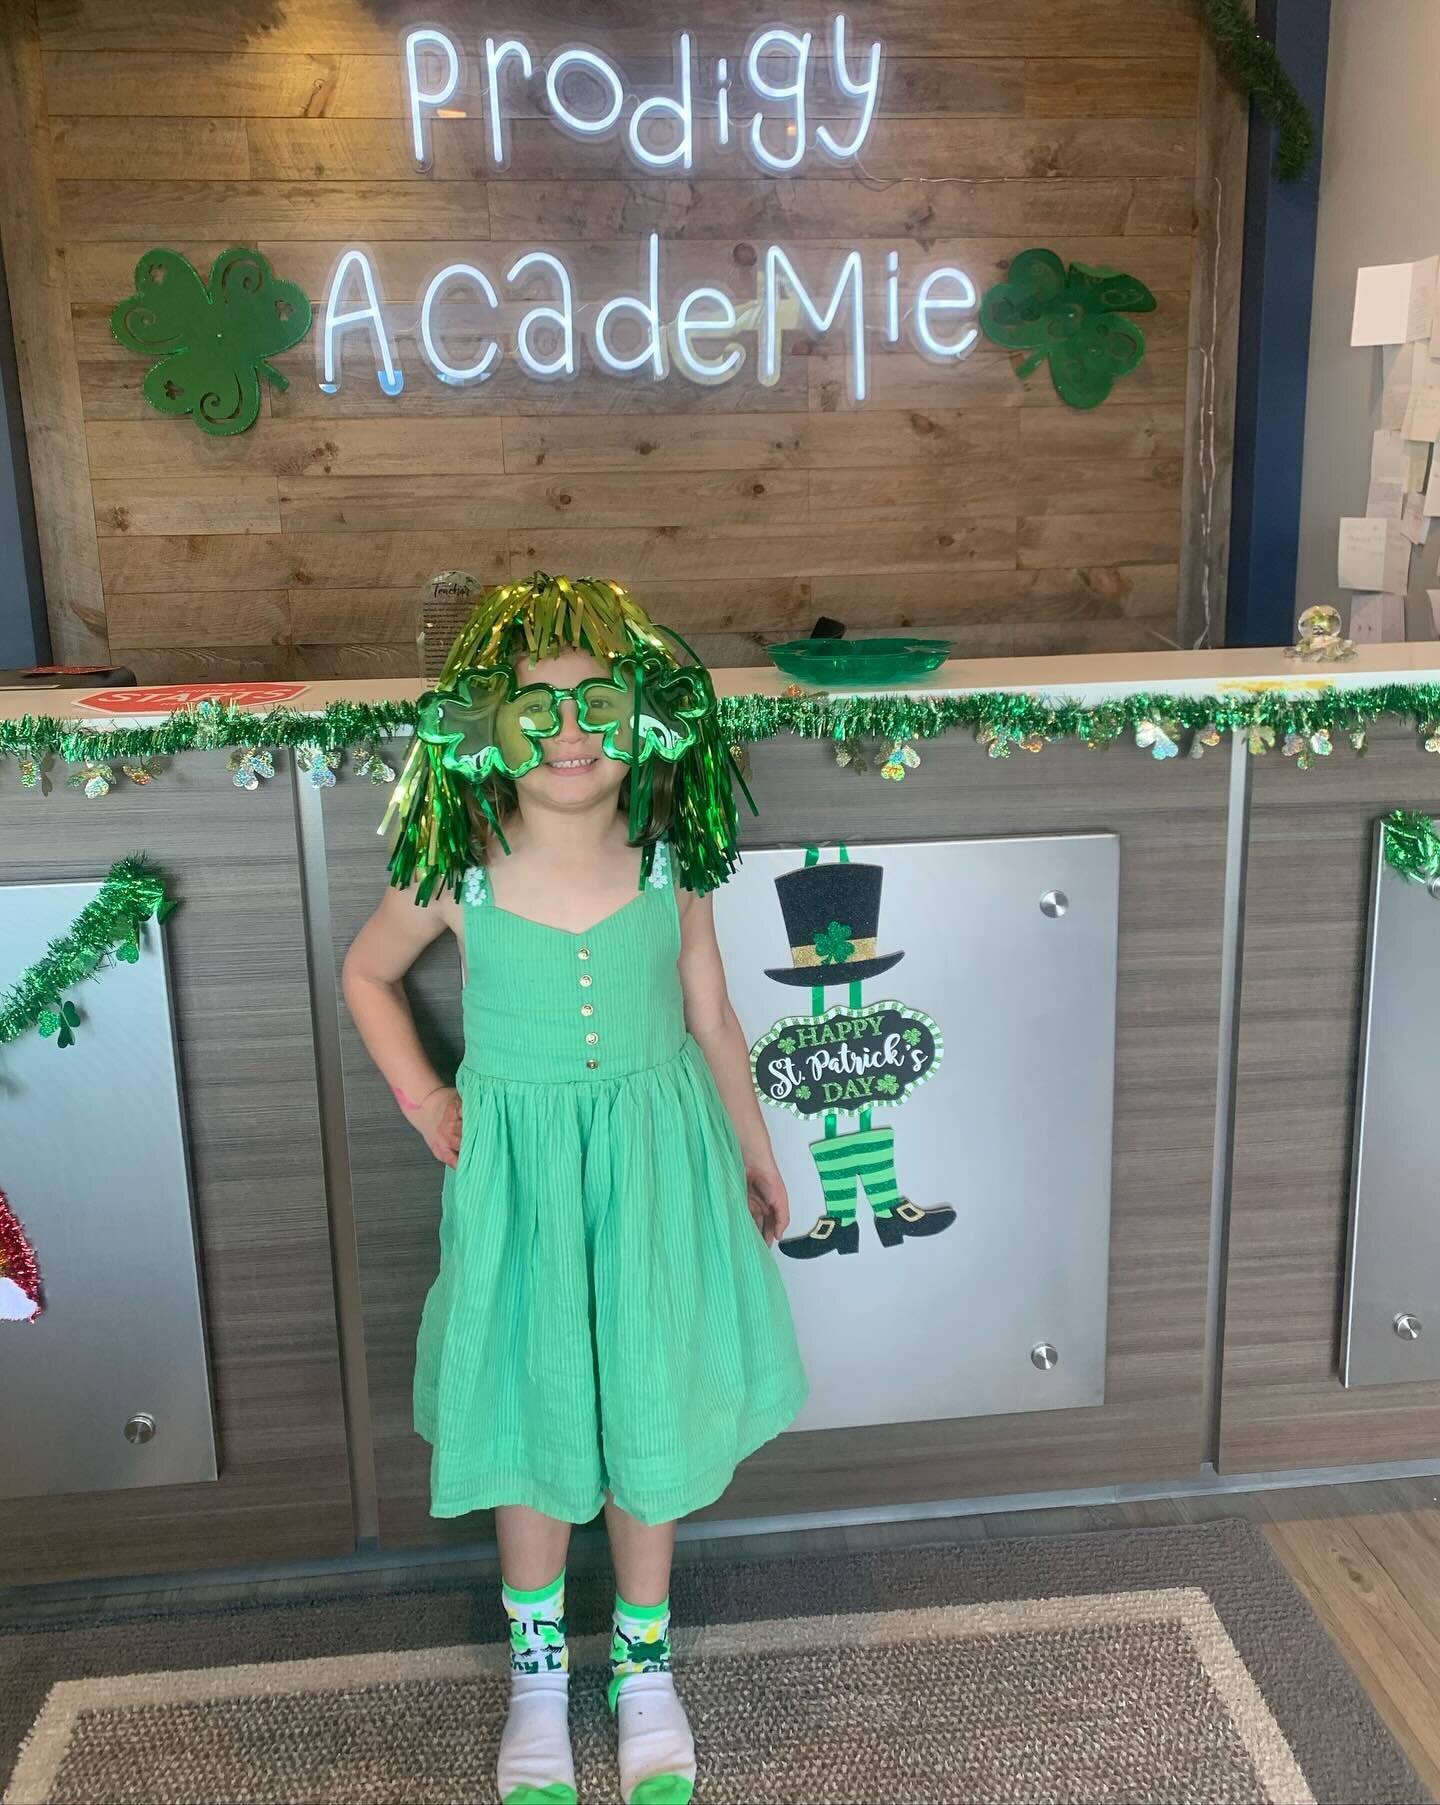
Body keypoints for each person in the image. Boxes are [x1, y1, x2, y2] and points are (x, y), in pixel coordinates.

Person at [343, 573, 808, 1805]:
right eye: (537, 707)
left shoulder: (673, 864)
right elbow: (368, 975)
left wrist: (756, 1147)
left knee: (647, 1396)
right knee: (533, 1413)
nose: (569, 733)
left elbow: (709, 1014)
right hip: (524, 1195)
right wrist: (429, 1098)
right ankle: (538, 1676)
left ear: (648, 718)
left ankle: (644, 1670)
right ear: (486, 726)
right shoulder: (458, 868)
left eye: (597, 703)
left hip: (660, 1173)